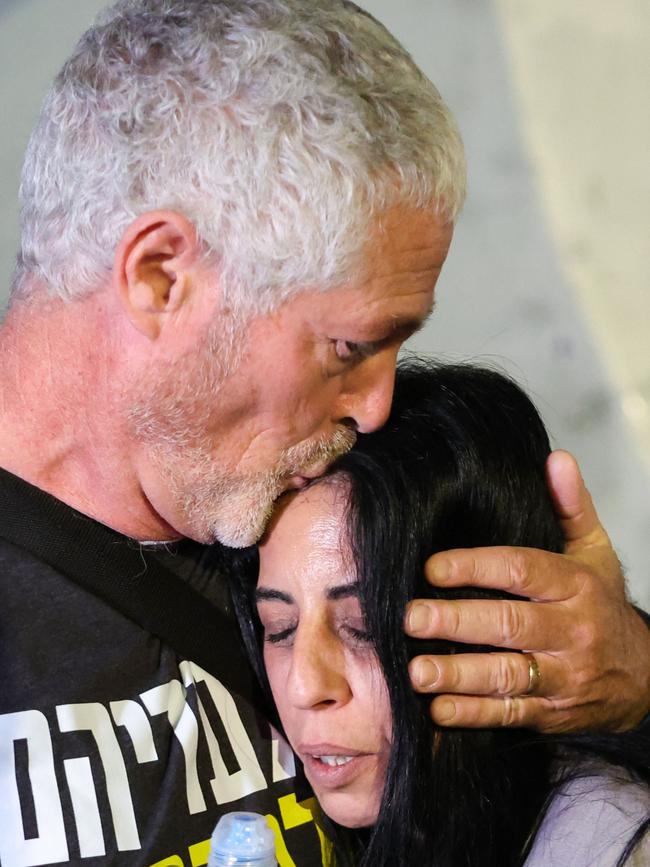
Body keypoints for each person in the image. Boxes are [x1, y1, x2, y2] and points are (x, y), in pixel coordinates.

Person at [0, 1, 648, 864]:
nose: (375, 407)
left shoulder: (285, 487)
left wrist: (628, 677)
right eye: (348, 347)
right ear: (161, 277)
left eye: (358, 628)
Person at [238, 361, 650, 866]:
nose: (304, 688)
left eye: (364, 627)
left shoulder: (600, 841)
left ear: (498, 624)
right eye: (279, 629)